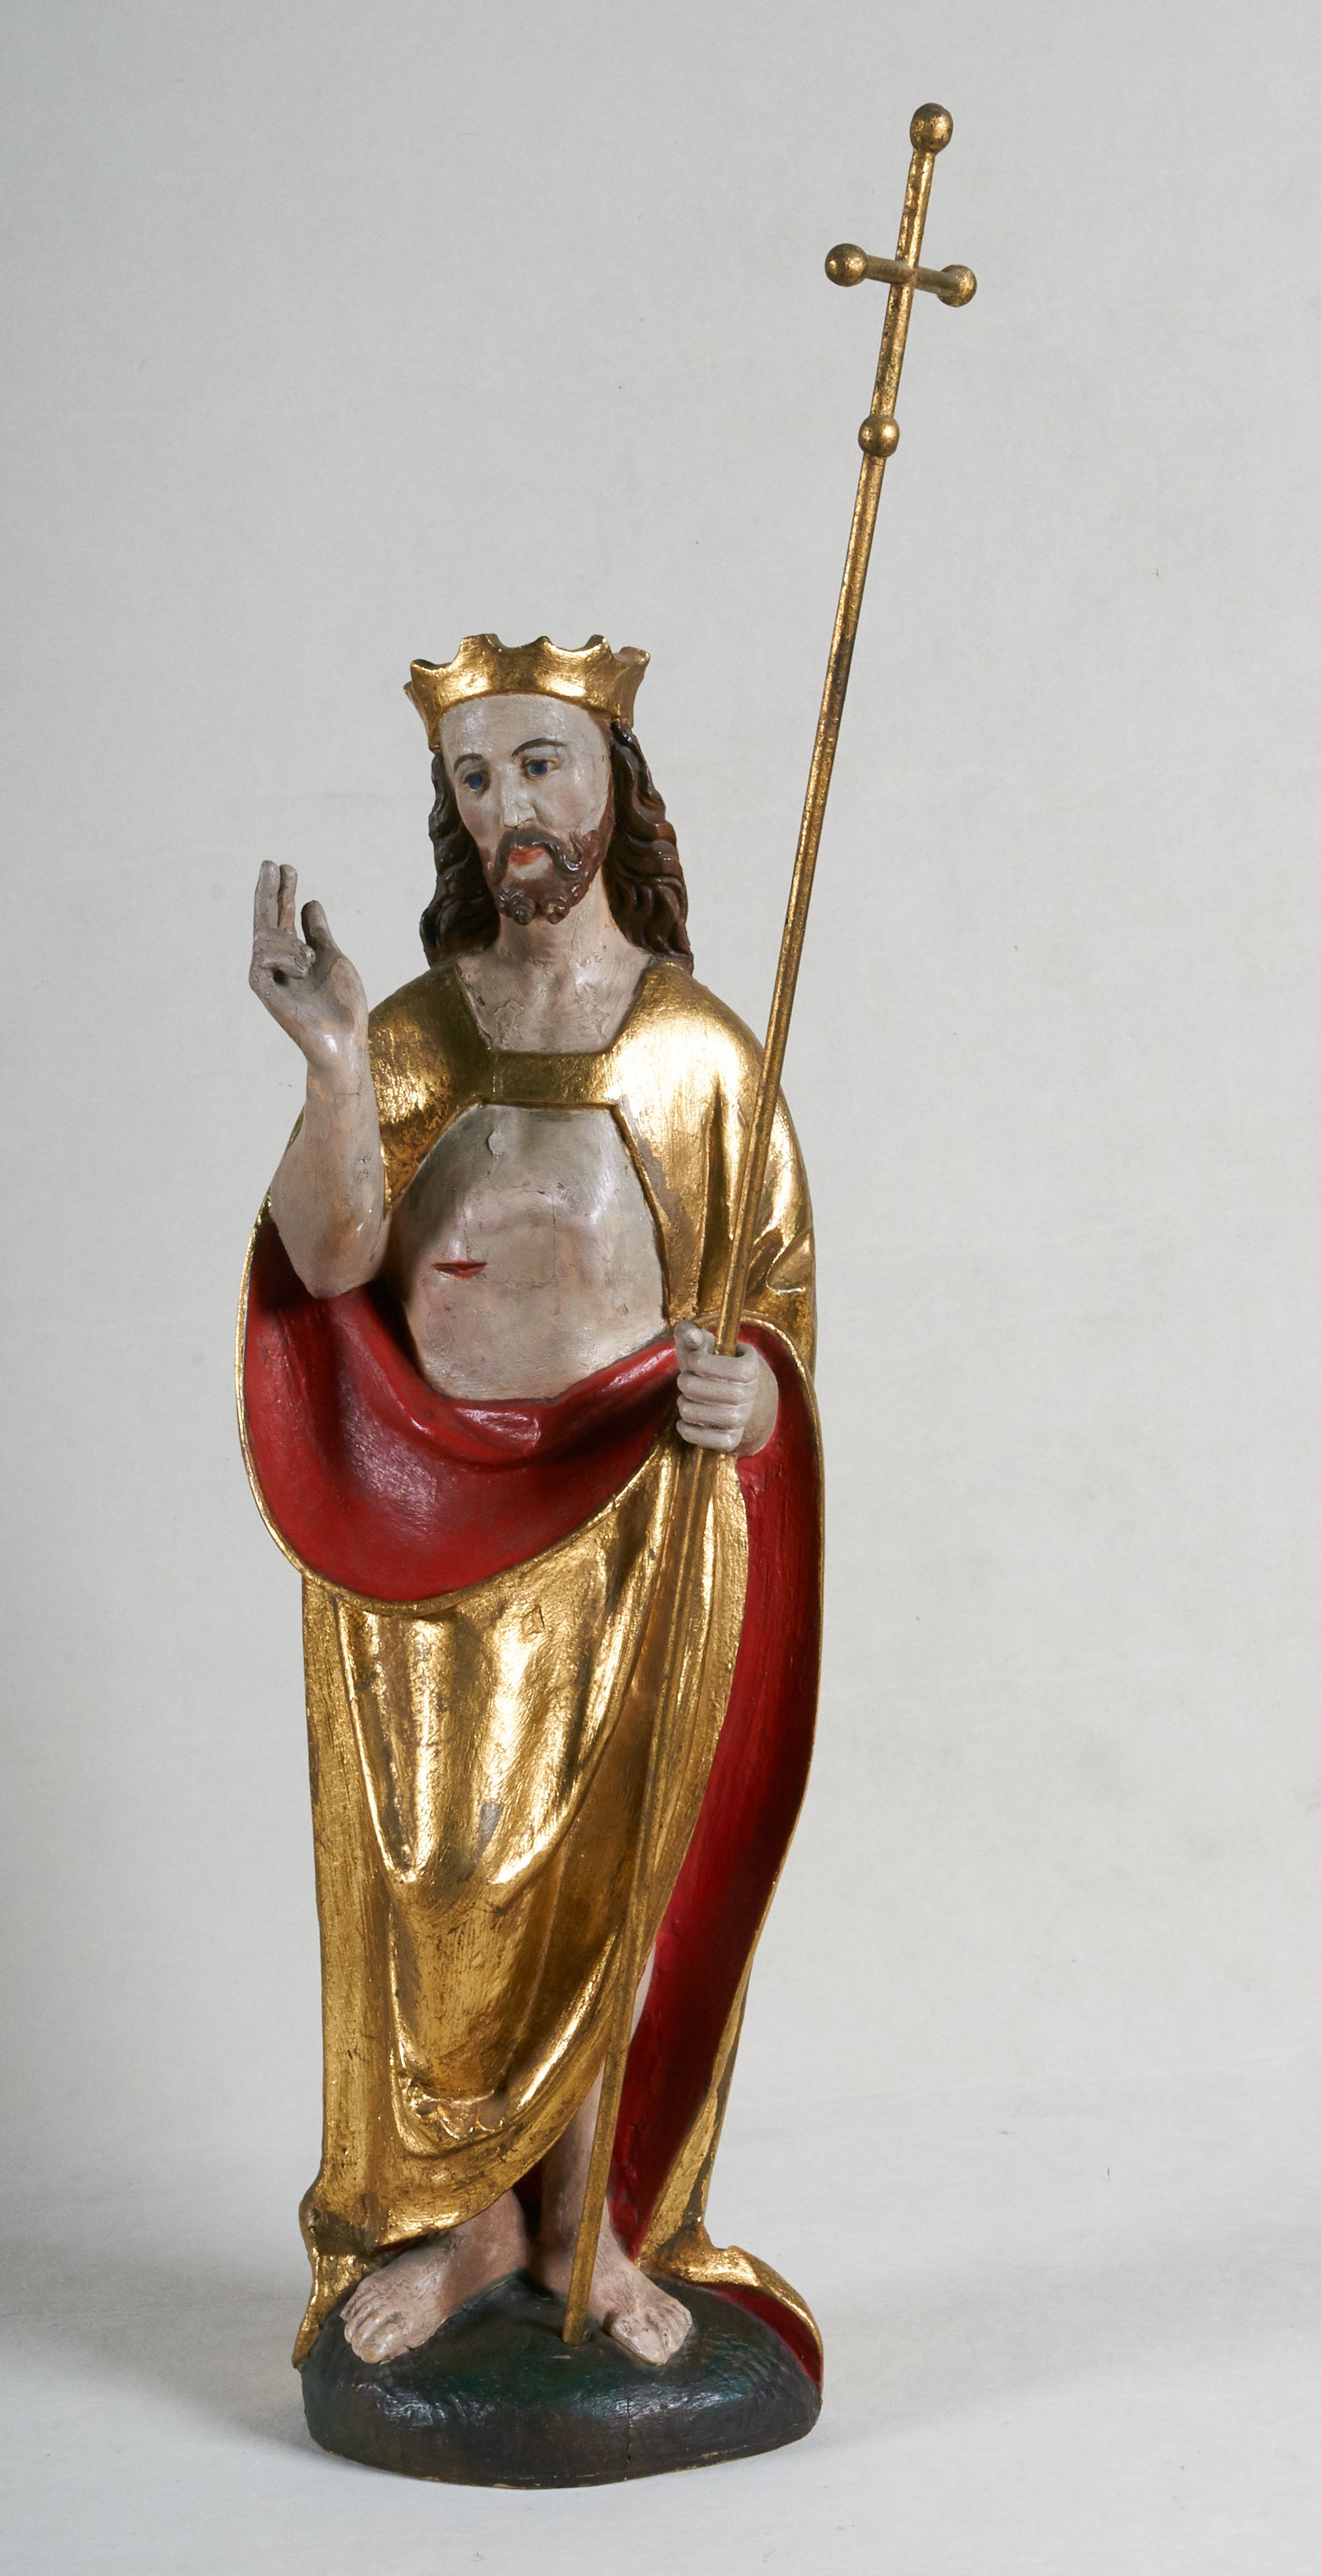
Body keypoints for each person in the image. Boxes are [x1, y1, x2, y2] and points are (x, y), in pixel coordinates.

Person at [240, 634, 823, 2384]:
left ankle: (581, 2223)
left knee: (608, 1884)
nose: (514, 810)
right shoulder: (418, 1032)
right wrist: (333, 1069)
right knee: (446, 1879)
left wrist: (752, 1391)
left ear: (614, 789)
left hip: (630, 1514)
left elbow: (772, 1299)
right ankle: (469, 2219)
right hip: (435, 1510)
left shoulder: (699, 1052)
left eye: (542, 767)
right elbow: (328, 1259)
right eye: (477, 778)